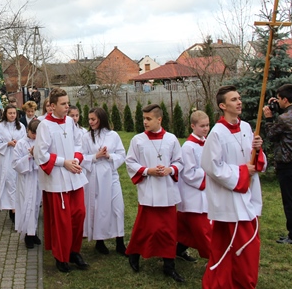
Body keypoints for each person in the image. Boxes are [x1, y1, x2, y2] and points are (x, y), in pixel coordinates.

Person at [201, 85, 266, 289]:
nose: (239, 102)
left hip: (248, 192)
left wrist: (257, 150)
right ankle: (233, 282)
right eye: (233, 99)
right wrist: (243, 171)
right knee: (239, 245)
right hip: (229, 198)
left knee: (240, 244)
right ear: (223, 106)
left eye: (239, 98)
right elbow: (212, 166)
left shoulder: (246, 127)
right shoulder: (216, 133)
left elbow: (253, 157)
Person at [125, 103, 184, 282]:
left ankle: (169, 265)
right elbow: (130, 162)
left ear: (159, 119)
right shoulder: (138, 140)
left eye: (149, 119)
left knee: (168, 230)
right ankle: (134, 255)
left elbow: (180, 161)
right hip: (149, 190)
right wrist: (147, 170)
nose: (145, 122)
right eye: (144, 118)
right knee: (144, 228)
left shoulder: (171, 139)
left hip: (167, 191)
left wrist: (170, 169)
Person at [33, 88, 89, 273]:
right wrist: (64, 162)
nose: (67, 107)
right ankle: (61, 256)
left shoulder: (70, 122)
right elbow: (40, 154)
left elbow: (79, 143)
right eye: (63, 104)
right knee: (62, 221)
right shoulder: (45, 125)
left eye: (68, 103)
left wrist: (76, 159)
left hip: (74, 175)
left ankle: (74, 251)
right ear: (52, 106)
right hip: (57, 180)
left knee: (79, 214)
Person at [263, 83, 292, 245]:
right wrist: (278, 108)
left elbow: (271, 135)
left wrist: (269, 118)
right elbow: (290, 123)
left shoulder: (283, 119)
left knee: (290, 201)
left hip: (288, 162)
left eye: (279, 99)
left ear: (284, 99)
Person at [81, 107, 127, 255]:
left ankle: (120, 241)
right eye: (89, 119)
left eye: (93, 119)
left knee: (117, 207)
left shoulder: (113, 135)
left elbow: (122, 154)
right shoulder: (86, 137)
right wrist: (96, 156)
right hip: (95, 176)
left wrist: (109, 156)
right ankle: (99, 241)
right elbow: (81, 156)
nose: (90, 122)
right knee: (99, 208)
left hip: (111, 174)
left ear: (101, 119)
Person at [176, 110, 212, 262]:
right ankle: (214, 259)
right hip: (193, 194)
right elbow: (189, 173)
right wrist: (210, 173)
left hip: (206, 191)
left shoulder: (207, 142)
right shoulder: (188, 147)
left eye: (207, 125)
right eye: (202, 126)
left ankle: (179, 250)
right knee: (203, 231)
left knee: (189, 230)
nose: (206, 129)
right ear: (193, 126)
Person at [12, 118, 42, 249]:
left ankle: (33, 231)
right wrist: (29, 156)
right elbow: (15, 163)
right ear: (28, 130)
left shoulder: (41, 142)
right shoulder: (21, 144)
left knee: (35, 205)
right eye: (33, 133)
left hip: (37, 177)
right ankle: (27, 235)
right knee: (27, 204)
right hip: (26, 178)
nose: (34, 136)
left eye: (37, 134)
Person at [0, 104, 27, 223]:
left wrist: (18, 143)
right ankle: (12, 209)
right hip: (6, 158)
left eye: (14, 113)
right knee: (9, 182)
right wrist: (8, 143)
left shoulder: (21, 126)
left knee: (18, 183)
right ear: (6, 114)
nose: (12, 115)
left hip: (18, 157)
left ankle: (18, 208)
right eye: (10, 113)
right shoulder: (0, 127)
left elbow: (25, 141)